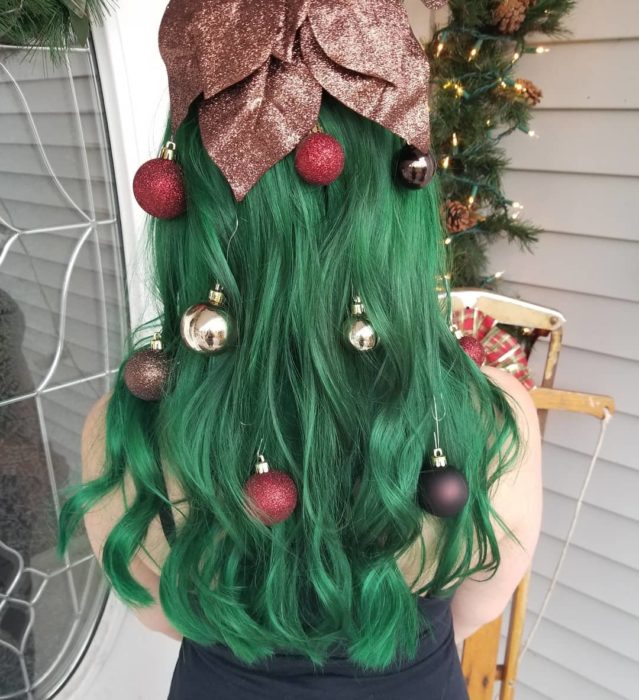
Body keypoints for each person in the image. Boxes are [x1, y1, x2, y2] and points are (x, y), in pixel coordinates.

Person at [58, 1, 542, 698]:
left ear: (187, 207)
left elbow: (162, 616)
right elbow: (475, 608)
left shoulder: (126, 426)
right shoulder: (491, 417)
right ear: (404, 200)